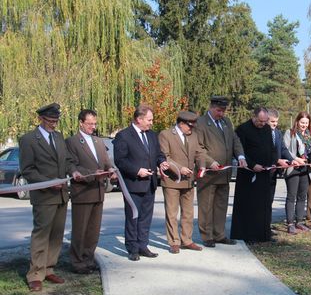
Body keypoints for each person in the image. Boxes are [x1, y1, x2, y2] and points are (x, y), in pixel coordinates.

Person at [19, 103, 82, 291]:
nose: (53, 124)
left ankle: (48, 269)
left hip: (62, 194)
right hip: (44, 196)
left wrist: (75, 171)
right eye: (50, 121)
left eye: (56, 121)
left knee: (56, 235)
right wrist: (49, 182)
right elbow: (27, 170)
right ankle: (35, 274)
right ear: (40, 119)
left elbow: (67, 161)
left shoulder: (59, 137)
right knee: (41, 235)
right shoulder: (28, 140)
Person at [114, 104, 169, 261]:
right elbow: (120, 160)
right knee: (133, 216)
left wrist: (162, 162)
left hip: (150, 183)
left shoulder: (152, 135)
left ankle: (142, 245)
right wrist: (137, 170)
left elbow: (158, 154)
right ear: (139, 119)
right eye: (149, 120)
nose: (152, 123)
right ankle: (132, 248)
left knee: (146, 216)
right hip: (133, 184)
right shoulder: (124, 136)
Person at [66, 109, 115, 274]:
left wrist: (112, 170)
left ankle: (88, 259)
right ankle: (77, 262)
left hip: (98, 191)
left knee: (93, 230)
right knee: (80, 230)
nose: (93, 127)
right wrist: (84, 174)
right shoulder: (72, 142)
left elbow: (107, 162)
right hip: (82, 192)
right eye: (90, 124)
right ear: (81, 123)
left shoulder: (98, 142)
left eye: (95, 123)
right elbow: (71, 165)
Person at [230, 107, 289, 242]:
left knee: (264, 205)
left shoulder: (267, 129)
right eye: (260, 121)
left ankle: (263, 233)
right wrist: (252, 165)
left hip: (264, 173)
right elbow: (239, 151)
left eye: (265, 121)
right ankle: (248, 235)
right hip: (249, 174)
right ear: (254, 117)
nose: (263, 124)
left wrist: (273, 162)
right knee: (250, 206)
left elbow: (272, 149)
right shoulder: (243, 129)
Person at [195, 96, 246, 248]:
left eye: (224, 110)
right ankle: (207, 235)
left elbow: (235, 141)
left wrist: (241, 156)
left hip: (224, 173)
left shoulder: (226, 122)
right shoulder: (201, 123)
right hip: (209, 174)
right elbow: (198, 148)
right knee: (206, 206)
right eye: (219, 110)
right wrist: (210, 162)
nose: (221, 113)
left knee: (221, 205)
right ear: (211, 107)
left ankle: (220, 234)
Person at [159, 111, 210, 254]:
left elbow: (200, 152)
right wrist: (179, 169)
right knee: (172, 213)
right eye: (189, 125)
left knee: (188, 213)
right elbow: (164, 157)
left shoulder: (193, 135)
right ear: (181, 123)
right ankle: (174, 242)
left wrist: (202, 166)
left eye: (193, 126)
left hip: (189, 181)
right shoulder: (166, 135)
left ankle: (187, 240)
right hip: (172, 180)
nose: (192, 128)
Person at [282, 112, 311, 234]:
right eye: (302, 122)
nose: (304, 125)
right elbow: (285, 149)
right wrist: (295, 159)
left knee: (302, 196)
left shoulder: (310, 135)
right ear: (297, 121)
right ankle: (290, 223)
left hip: (305, 168)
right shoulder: (290, 133)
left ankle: (299, 222)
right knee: (292, 196)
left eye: (306, 123)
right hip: (293, 168)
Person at [267, 108, 294, 204]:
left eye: (276, 121)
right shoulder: (261, 133)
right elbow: (265, 151)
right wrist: (278, 160)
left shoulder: (277, 132)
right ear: (266, 120)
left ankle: (267, 218)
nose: (275, 124)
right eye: (272, 121)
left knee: (270, 199)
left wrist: (292, 160)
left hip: (274, 172)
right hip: (263, 171)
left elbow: (283, 149)